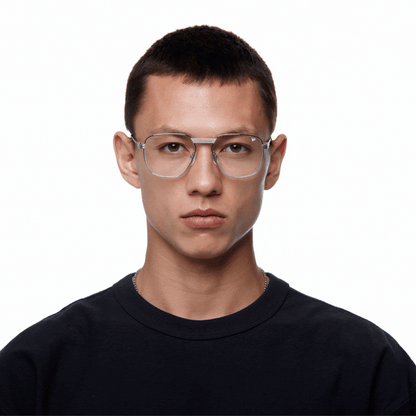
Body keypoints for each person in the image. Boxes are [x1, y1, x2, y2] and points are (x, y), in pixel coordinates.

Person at [0, 25, 415, 415]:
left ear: (272, 162)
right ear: (129, 159)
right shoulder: (34, 373)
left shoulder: (368, 371)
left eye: (235, 147)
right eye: (172, 147)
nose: (204, 182)